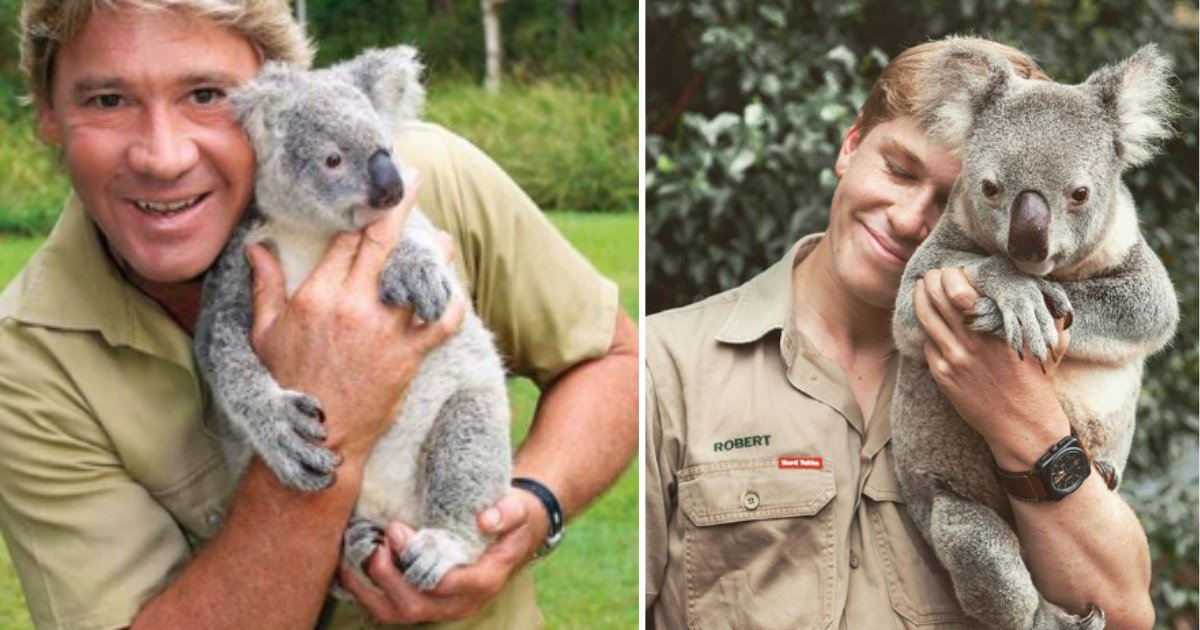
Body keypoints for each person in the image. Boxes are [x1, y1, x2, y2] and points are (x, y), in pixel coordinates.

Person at [0, 1, 637, 628]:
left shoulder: (427, 176)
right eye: (107, 100)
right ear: (50, 115)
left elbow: (617, 361)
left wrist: (531, 509)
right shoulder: (24, 364)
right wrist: (336, 413)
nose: (162, 157)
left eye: (207, 95)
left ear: (274, 99)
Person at [645, 37, 1155, 629]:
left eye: (952, 198)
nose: (912, 218)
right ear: (851, 144)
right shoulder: (667, 365)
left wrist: (1024, 418)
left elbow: (1120, 615)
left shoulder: (1045, 363)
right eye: (897, 169)